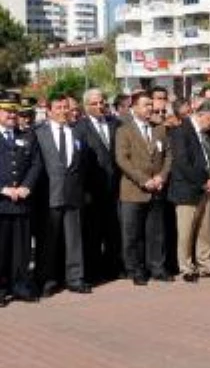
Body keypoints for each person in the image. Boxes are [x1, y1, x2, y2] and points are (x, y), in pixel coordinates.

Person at [34, 96, 92, 296]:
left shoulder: (77, 133)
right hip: (49, 195)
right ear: (49, 111)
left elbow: (83, 165)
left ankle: (75, 278)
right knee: (48, 240)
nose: (63, 111)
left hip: (73, 194)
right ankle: (46, 280)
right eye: (58, 107)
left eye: (66, 107)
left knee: (74, 239)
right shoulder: (39, 133)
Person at [115, 91, 174, 285]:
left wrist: (162, 176)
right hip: (133, 191)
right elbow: (122, 160)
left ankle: (157, 267)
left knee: (156, 233)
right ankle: (136, 269)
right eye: (146, 105)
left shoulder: (160, 129)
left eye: (151, 104)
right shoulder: (124, 130)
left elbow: (168, 156)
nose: (150, 108)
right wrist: (143, 180)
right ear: (134, 108)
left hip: (156, 189)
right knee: (133, 234)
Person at [167, 98, 210, 283]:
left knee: (205, 230)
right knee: (186, 231)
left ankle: (206, 264)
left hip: (208, 189)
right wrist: (203, 181)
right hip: (188, 189)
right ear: (201, 115)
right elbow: (182, 163)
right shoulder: (180, 131)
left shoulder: (208, 134)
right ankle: (186, 268)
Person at [77, 88, 124, 282]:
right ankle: (94, 271)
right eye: (94, 104)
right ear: (86, 106)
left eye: (102, 102)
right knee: (93, 233)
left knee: (114, 230)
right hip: (92, 190)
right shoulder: (79, 128)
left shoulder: (116, 124)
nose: (100, 106)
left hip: (115, 188)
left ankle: (114, 267)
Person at [0, 92, 42, 305]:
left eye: (14, 111)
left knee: (22, 249)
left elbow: (36, 164)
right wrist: (3, 189)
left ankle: (20, 284)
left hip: (22, 202)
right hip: (2, 203)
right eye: (7, 111)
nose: (12, 115)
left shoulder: (27, 135)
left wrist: (27, 186)